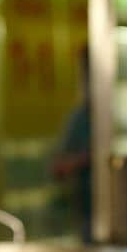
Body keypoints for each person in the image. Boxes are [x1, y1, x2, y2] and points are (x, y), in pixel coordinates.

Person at [51, 48, 92, 241]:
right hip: (88, 214)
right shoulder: (80, 118)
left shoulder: (115, 114)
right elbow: (58, 167)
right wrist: (87, 158)